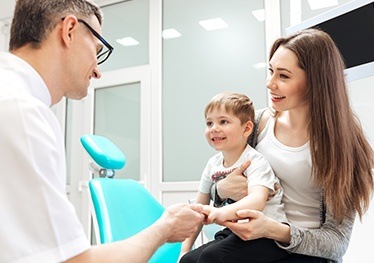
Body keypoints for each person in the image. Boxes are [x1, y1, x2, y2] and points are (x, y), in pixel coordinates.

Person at [0, 0, 204, 262]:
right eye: (97, 50)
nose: (97, 70)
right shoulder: (21, 112)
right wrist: (166, 228)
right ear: (70, 30)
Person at [213, 28, 374, 263]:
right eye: (270, 72)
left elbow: (336, 243)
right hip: (255, 239)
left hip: (303, 251)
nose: (270, 83)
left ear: (315, 82)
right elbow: (216, 182)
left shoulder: (345, 148)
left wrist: (273, 229)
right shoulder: (257, 124)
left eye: (283, 76)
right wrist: (222, 190)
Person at [179, 92, 289, 263]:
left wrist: (220, 212)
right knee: (189, 260)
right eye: (209, 123)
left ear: (246, 128)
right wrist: (184, 250)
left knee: (211, 258)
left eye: (223, 121)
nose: (214, 128)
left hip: (267, 235)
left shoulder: (255, 161)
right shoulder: (212, 165)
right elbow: (198, 210)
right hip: (235, 232)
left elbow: (257, 200)